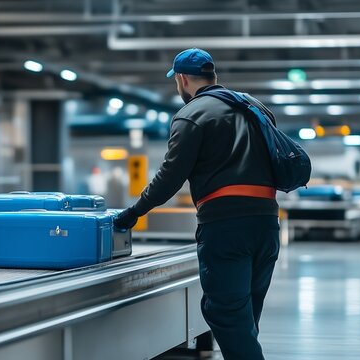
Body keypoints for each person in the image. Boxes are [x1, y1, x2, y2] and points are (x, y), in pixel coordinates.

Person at [113, 48, 280, 360]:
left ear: (181, 79)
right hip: (267, 223)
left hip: (227, 227)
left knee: (226, 315)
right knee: (245, 317)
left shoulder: (192, 115)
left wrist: (132, 214)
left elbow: (169, 177)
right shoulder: (255, 106)